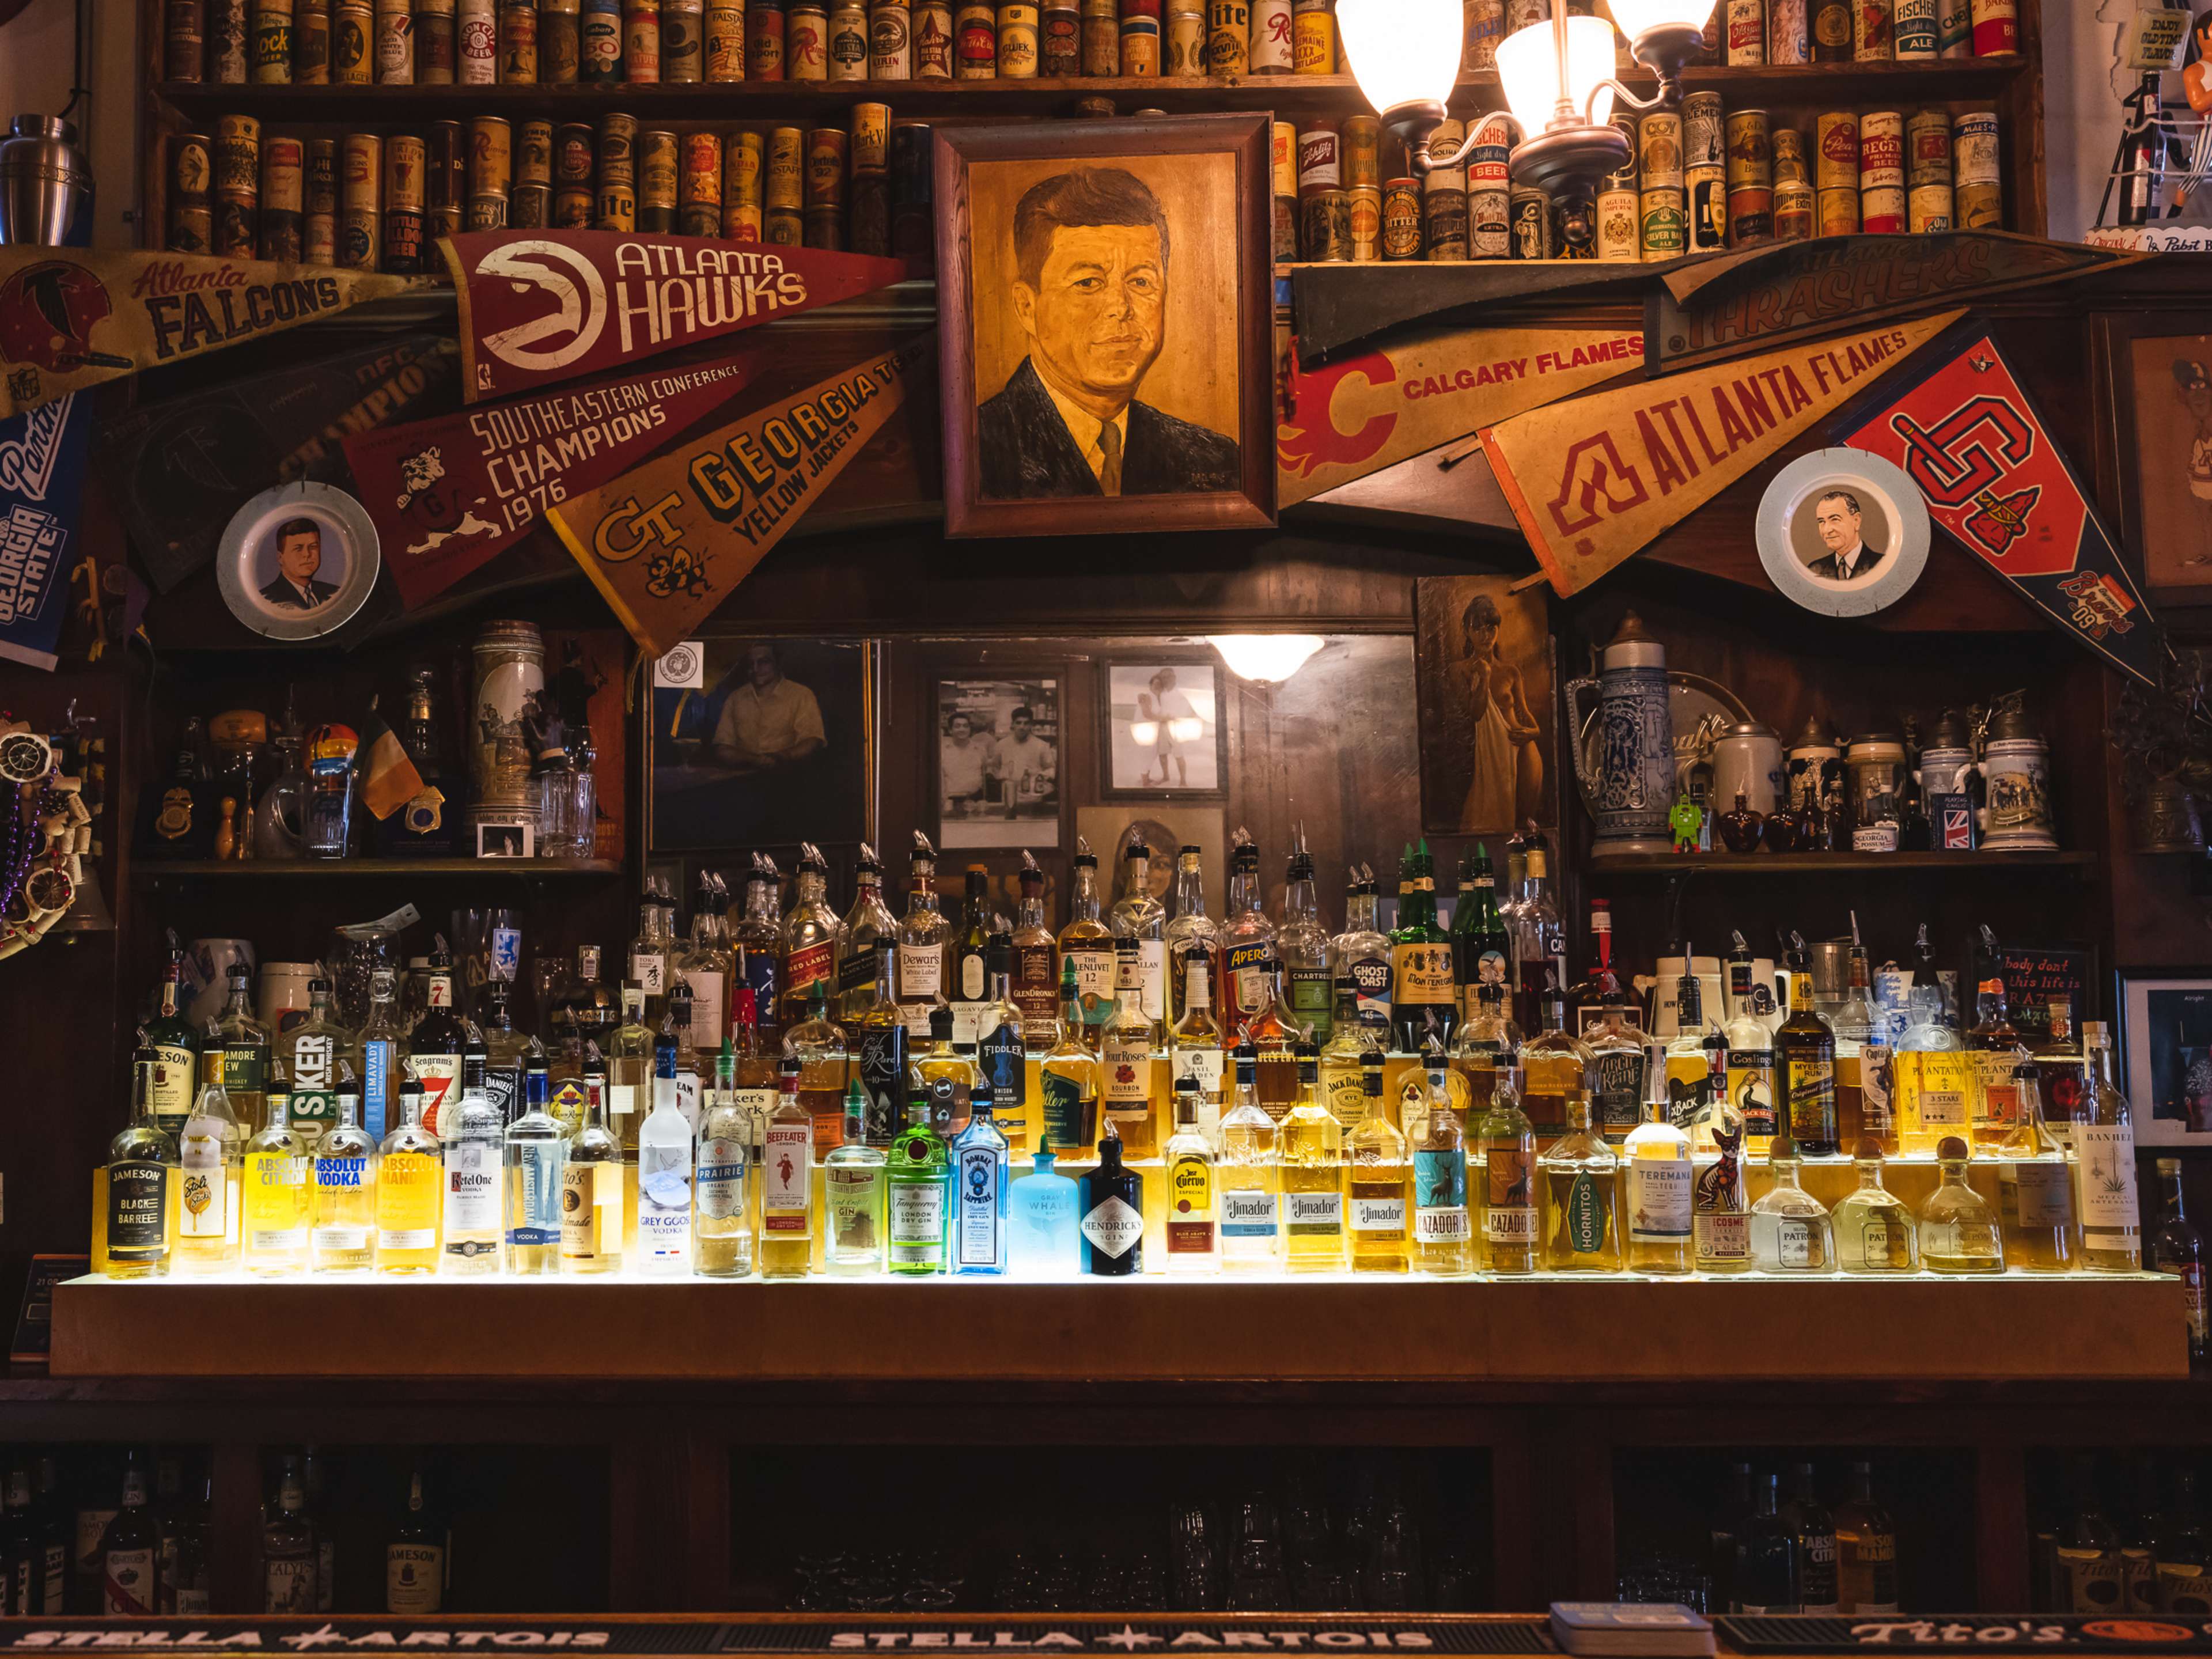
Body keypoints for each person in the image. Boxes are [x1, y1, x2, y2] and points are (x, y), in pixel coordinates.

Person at [976, 167, 1241, 501]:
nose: (1121, 307)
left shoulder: (1216, 458)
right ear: (1027, 307)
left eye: (1140, 281)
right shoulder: (977, 453)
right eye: (1087, 283)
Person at [1456, 592, 1543, 833]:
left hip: (1524, 750)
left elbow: (1524, 714)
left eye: (1491, 628)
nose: (1486, 636)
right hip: (1490, 754)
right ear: (1467, 631)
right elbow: (1474, 713)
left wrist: (1533, 732)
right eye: (1479, 629)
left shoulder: (1511, 671)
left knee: (1522, 826)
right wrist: (1483, 677)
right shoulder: (1460, 670)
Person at [709, 643, 826, 772]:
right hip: (742, 777)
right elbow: (722, 747)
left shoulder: (802, 694)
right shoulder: (735, 698)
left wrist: (781, 757)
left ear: (777, 663)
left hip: (790, 775)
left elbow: (813, 740)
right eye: (750, 664)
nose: (755, 669)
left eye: (763, 662)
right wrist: (754, 760)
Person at [1805, 490, 1885, 582]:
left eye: (1835, 519)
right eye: (1821, 522)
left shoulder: (1882, 565)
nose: (1827, 530)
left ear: (1856, 521)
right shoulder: (1815, 570)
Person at [1137, 668, 1198, 789]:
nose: (1166, 679)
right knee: (1162, 754)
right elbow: (1150, 697)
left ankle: (1183, 781)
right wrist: (1141, 695)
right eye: (1164, 677)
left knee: (1179, 755)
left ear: (1174, 677)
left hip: (1176, 728)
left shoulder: (1182, 692)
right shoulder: (1162, 692)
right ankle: (1166, 777)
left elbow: (1193, 710)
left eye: (1169, 676)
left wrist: (1186, 723)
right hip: (1162, 727)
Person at [260, 518, 339, 609]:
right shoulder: (267, 599)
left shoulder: (334, 592)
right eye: (298, 549)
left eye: (313, 547)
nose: (307, 554)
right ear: (280, 558)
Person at [994, 704, 1056, 817]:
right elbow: (995, 767)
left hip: (1033, 799)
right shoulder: (1001, 745)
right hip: (1009, 797)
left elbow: (1051, 769)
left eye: (1026, 723)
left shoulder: (1041, 745)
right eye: (1018, 723)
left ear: (1031, 725)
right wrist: (1002, 775)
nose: (1022, 727)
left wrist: (1039, 778)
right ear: (1013, 724)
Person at [940, 711, 998, 815]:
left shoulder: (980, 749)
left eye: (966, 726)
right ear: (950, 730)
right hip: (950, 802)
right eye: (957, 726)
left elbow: (984, 774)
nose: (962, 729)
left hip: (975, 801)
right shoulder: (943, 751)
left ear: (970, 729)